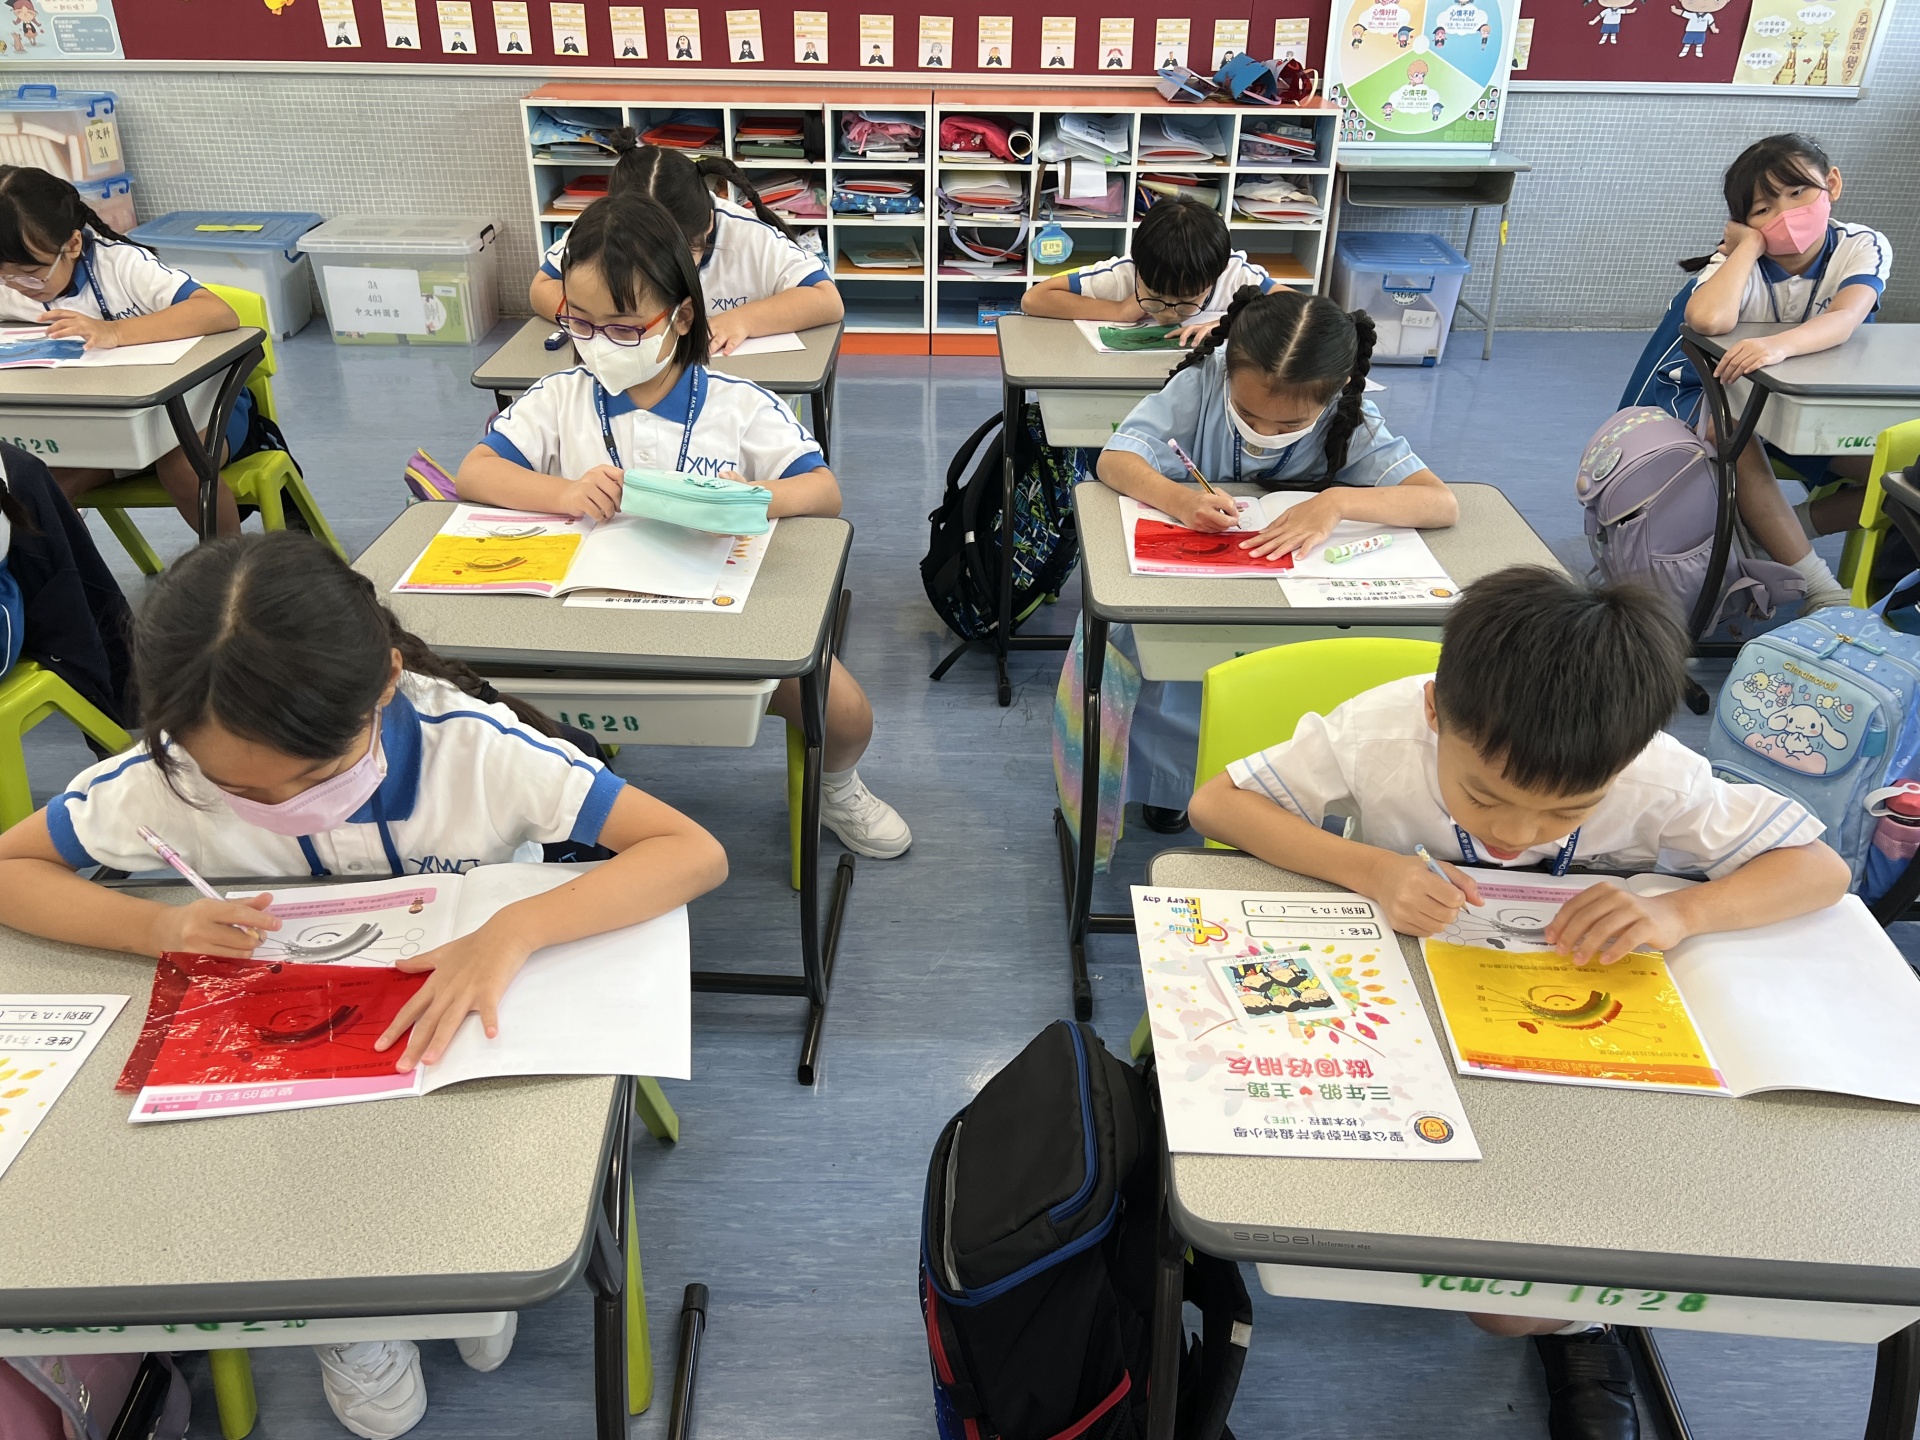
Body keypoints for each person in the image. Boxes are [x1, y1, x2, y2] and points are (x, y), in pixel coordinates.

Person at [0, 530, 730, 1440]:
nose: (278, 808)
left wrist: (512, 932)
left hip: (460, 1021)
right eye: (238, 789)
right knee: (273, 1171)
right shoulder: (168, 778)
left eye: (312, 776)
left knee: (478, 1160)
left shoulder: (475, 750)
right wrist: (156, 927)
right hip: (287, 1064)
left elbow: (690, 852)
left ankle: (463, 1262)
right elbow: (11, 869)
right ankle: (350, 1323)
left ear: (386, 680)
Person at [1190, 566, 1848, 1440]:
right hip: (1398, 1011)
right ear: (1436, 710)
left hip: (1570, 1040)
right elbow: (1218, 804)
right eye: (1485, 798)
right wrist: (1372, 869)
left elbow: (1819, 869)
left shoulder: (1657, 777)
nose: (1517, 835)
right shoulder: (1380, 730)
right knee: (1320, 1205)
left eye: (1567, 812)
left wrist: (1680, 912)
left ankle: (1580, 1325)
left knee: (1511, 1302)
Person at [468, 195, 910, 860]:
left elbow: (824, 492)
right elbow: (475, 472)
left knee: (847, 714)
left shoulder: (739, 405)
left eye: (623, 329)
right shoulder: (559, 399)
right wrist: (563, 491)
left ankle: (835, 787)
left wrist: (754, 496)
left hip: (716, 626)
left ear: (680, 316)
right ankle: (537, 803)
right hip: (577, 630)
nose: (597, 344)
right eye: (579, 323)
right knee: (476, 693)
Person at [1064, 287, 1457, 840]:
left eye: (1289, 424)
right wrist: (1180, 500)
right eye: (1248, 414)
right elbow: (1116, 459)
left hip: (1293, 603)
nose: (1265, 433)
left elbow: (1440, 502)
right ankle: (1170, 789)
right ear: (1229, 372)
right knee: (1172, 685)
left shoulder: (1348, 411)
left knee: (1288, 692)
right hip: (1187, 596)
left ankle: (1272, 792)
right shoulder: (1203, 382)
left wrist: (1336, 503)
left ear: (1336, 390)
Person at [1682, 133, 1890, 610]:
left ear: (1831, 183)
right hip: (1722, 400)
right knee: (1729, 432)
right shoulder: (1736, 264)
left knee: (1902, 476)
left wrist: (1775, 347)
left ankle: (1779, 530)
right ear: (1742, 221)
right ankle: (1820, 590)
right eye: (1763, 209)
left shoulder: (1860, 245)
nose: (1786, 213)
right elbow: (1708, 319)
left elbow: (1846, 316)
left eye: (1798, 192)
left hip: (1808, 406)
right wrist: (1748, 248)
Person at [0, 166, 243, 534]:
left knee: (182, 469)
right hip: (103, 425)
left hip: (198, 409)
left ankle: (233, 562)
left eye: (29, 272)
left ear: (72, 245)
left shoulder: (122, 267)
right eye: (4, 274)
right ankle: (68, 571)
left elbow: (218, 313)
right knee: (35, 489)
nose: (18, 285)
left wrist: (113, 331)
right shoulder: (10, 284)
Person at [530, 130, 841, 356]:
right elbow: (542, 287)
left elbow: (826, 299)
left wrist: (742, 319)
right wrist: (594, 320)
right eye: (642, 256)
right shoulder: (601, 229)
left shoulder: (748, 237)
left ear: (708, 224)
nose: (661, 270)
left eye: (678, 254)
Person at [1021, 197, 1274, 347]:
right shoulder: (1123, 275)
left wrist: (1229, 323)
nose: (1168, 313)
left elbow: (1292, 305)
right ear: (1138, 267)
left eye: (1186, 302)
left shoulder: (1235, 276)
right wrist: (1119, 311)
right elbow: (1033, 299)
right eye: (1154, 297)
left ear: (1216, 276)